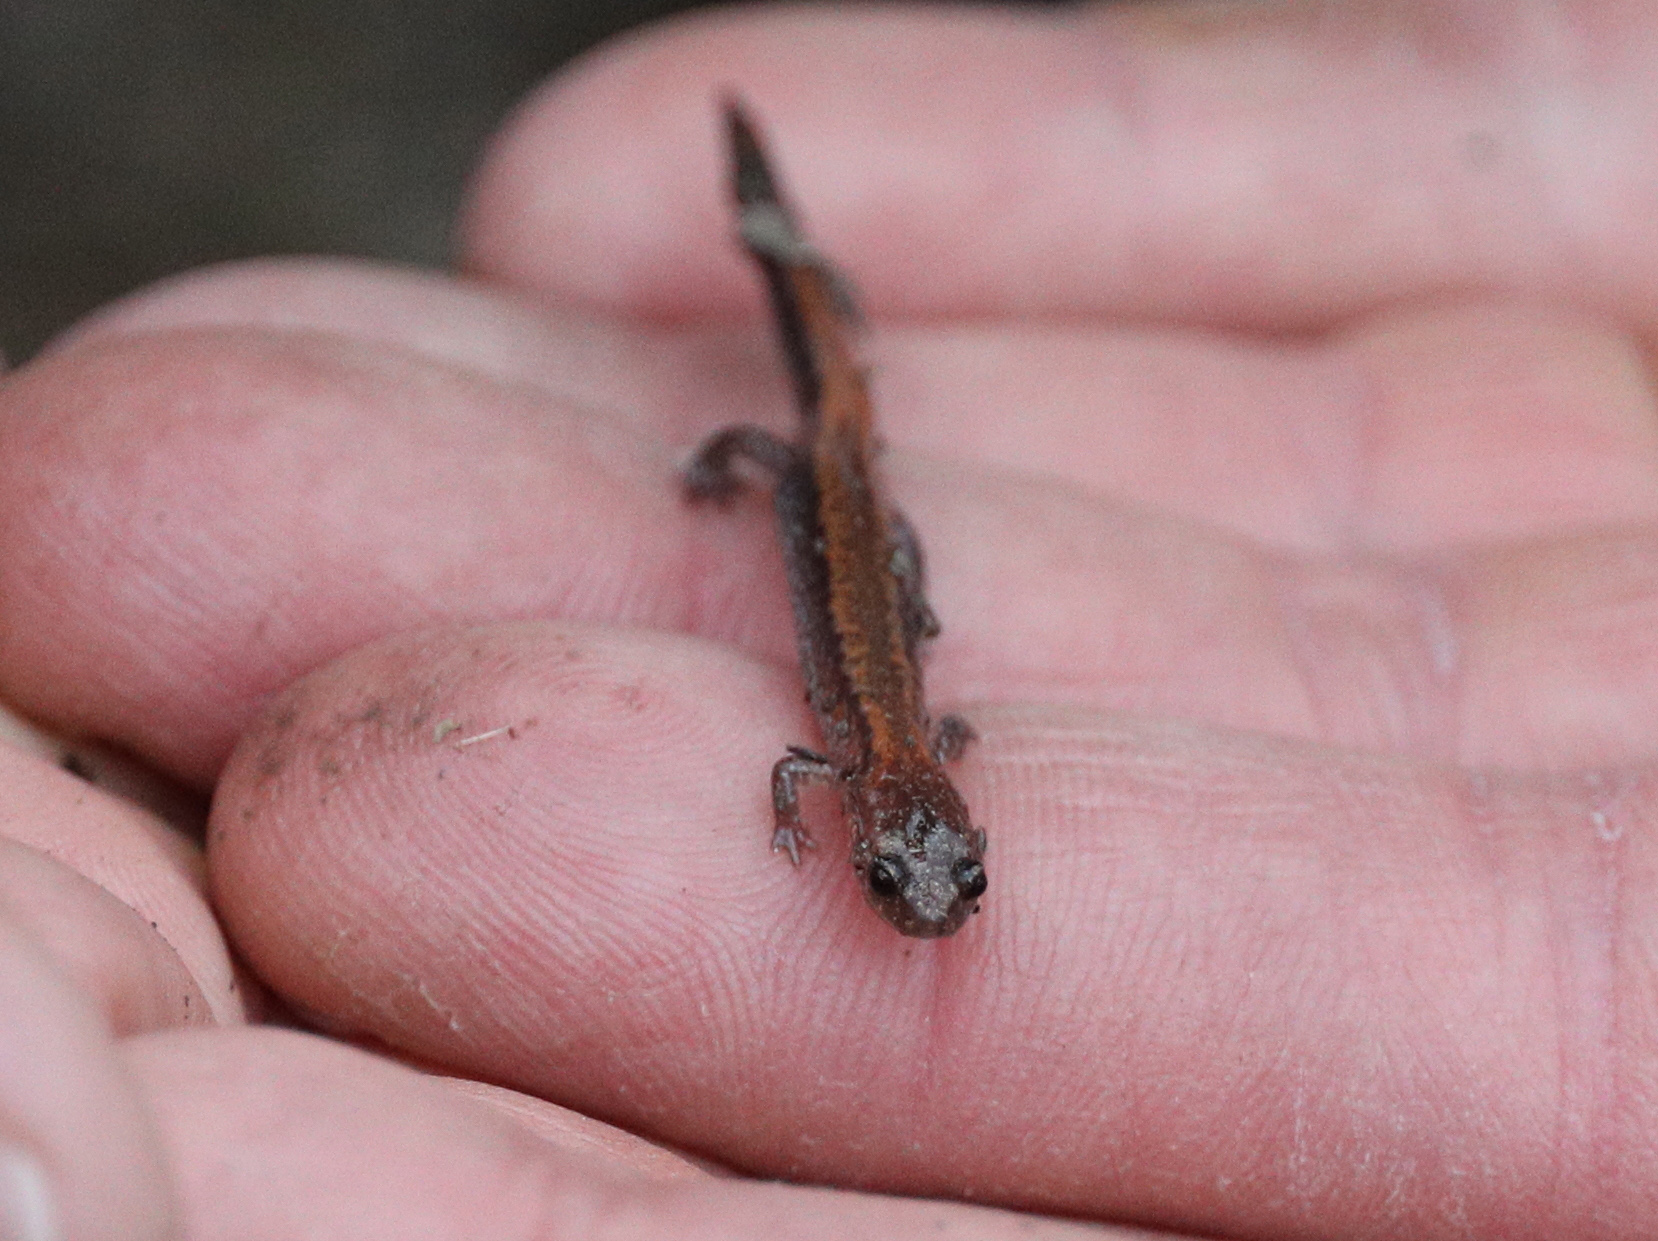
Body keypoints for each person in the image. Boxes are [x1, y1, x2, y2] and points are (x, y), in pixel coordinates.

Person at [1, 2, 1652, 1237]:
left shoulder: (859, 755)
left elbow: (816, 766)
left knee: (850, 464)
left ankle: (791, 269)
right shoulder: (881, 746)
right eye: (910, 872)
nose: (923, 896)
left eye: (927, 875)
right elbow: (840, 743)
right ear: (910, 809)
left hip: (864, 526)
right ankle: (777, 260)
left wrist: (814, 801)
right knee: (796, 443)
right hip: (828, 495)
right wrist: (734, 501)